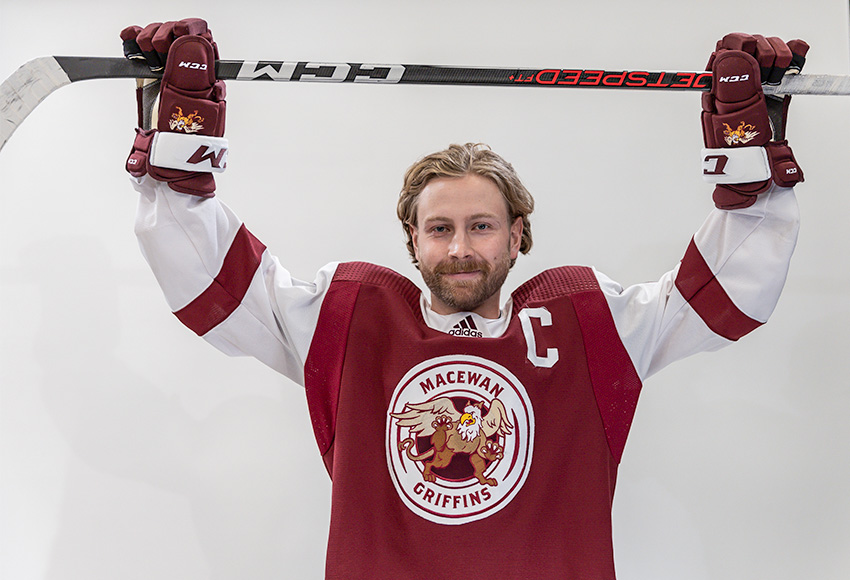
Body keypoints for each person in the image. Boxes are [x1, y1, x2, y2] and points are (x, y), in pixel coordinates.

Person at [121, 20, 808, 580]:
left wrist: (750, 175)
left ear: (517, 237)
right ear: (412, 240)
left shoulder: (590, 320)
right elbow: (209, 282)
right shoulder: (347, 317)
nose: (458, 249)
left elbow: (728, 296)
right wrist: (184, 155)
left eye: (481, 227)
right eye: (439, 229)